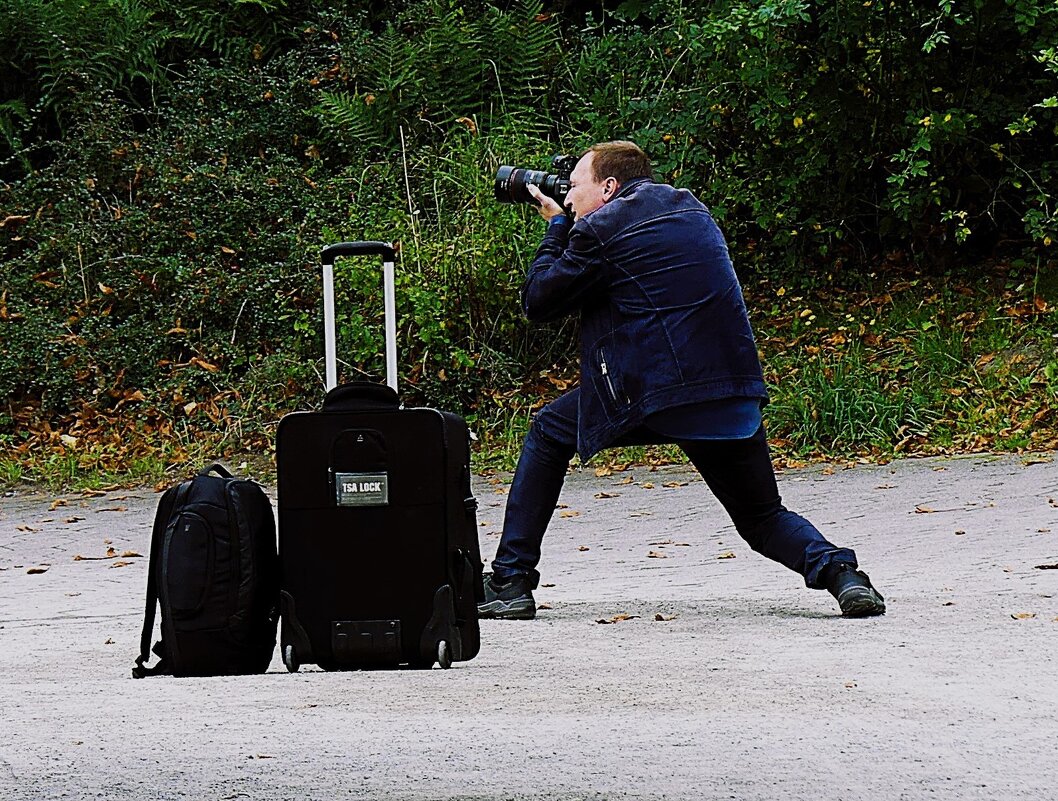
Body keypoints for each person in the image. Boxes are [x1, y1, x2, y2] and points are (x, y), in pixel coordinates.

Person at [477, 140, 885, 621]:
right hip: (730, 389)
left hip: (659, 394)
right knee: (761, 517)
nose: (567, 198)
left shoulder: (600, 228)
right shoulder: (691, 208)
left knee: (549, 432)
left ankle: (510, 582)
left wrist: (557, 229)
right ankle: (844, 575)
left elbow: (538, 301)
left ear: (608, 187)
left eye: (574, 188)